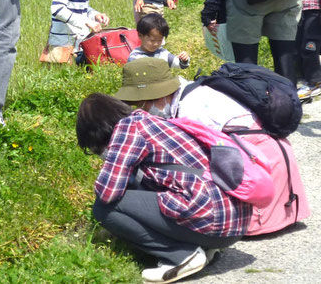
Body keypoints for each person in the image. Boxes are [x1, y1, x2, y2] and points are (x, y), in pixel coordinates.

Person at [112, 58, 310, 236]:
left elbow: (196, 162)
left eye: (143, 104)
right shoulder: (196, 92)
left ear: (158, 95)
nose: (143, 110)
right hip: (271, 155)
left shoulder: (190, 109)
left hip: (257, 164)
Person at [77, 94, 251, 283]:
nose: (98, 153)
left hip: (212, 222)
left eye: (94, 149)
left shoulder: (127, 130)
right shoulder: (150, 121)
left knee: (103, 209)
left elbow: (107, 193)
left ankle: (181, 256)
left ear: (99, 131)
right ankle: (206, 248)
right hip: (234, 225)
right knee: (136, 182)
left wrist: (110, 162)